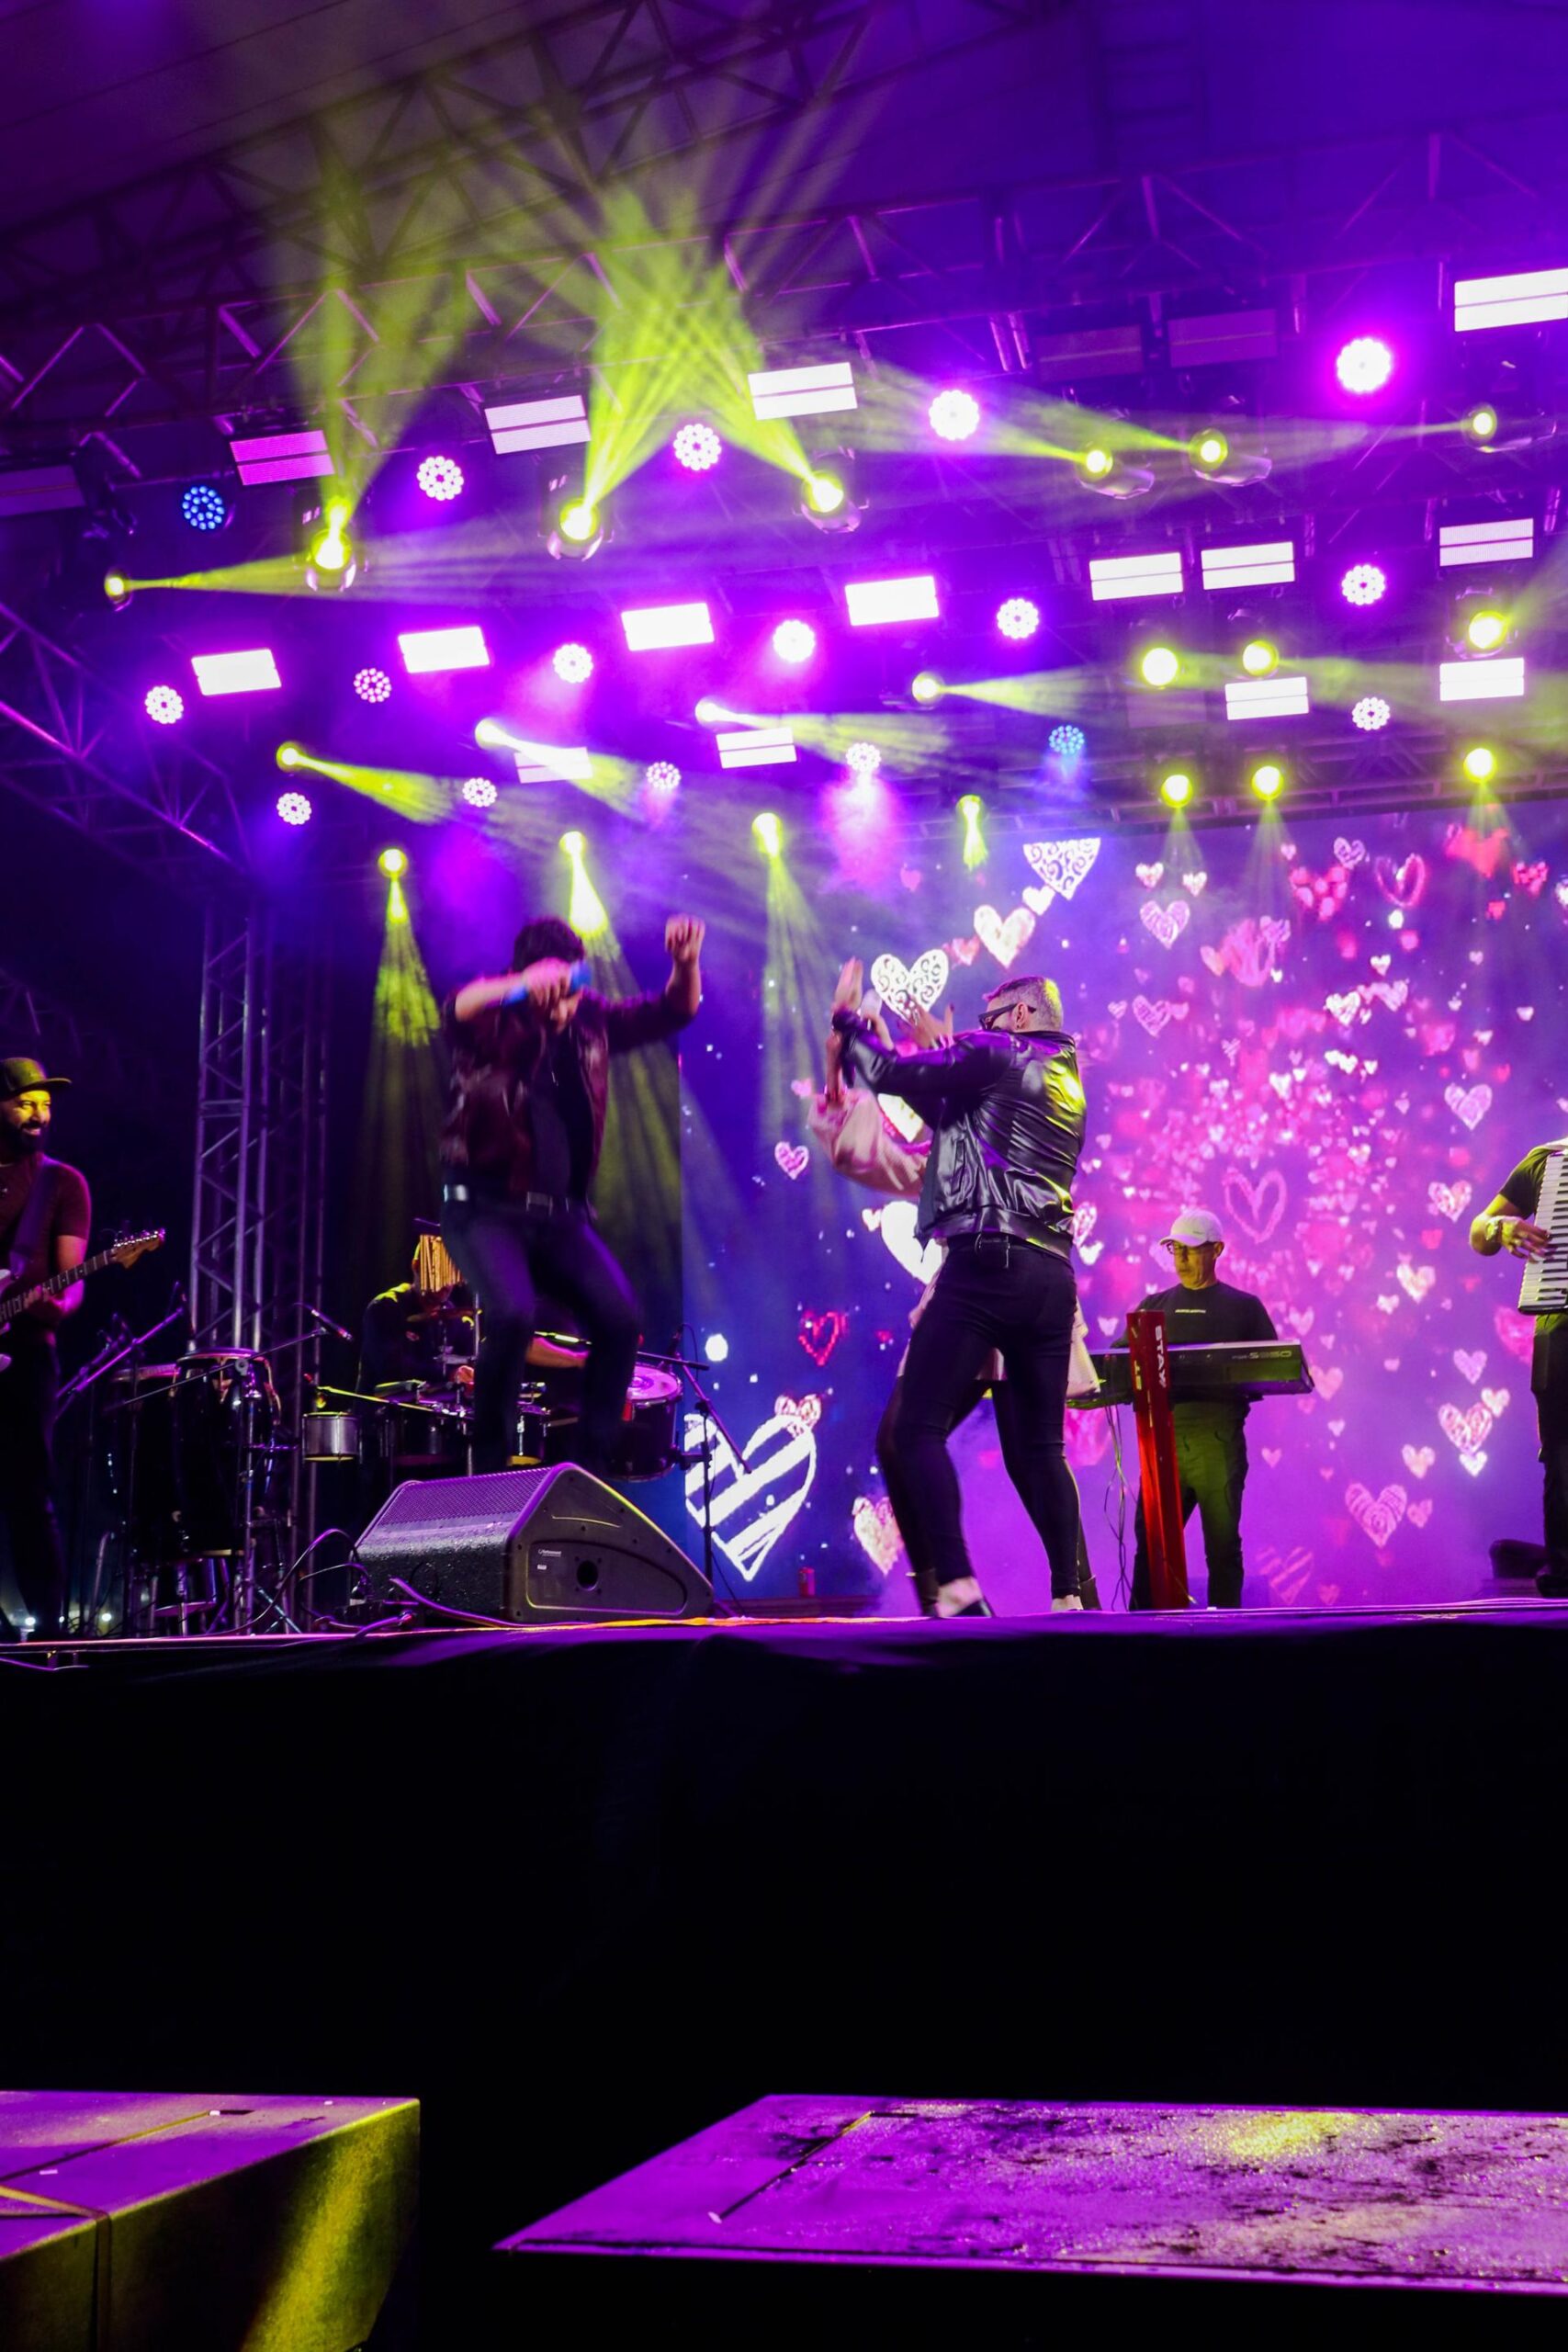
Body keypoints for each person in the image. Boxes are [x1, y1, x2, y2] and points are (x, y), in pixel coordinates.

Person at [808, 980, 1100, 1616]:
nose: (980, 1029)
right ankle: (1070, 1598)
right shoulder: (1065, 1082)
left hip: (985, 1267)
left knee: (916, 1429)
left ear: (1019, 1015)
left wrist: (851, 1026)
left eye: (988, 1020)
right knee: (1040, 1451)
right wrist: (911, 1054)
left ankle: (956, 1586)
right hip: (1048, 1277)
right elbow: (948, 1114)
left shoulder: (998, 1052)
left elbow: (894, 1078)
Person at [440, 913, 704, 1476]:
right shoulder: (491, 1017)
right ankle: (488, 1470)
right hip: (482, 1210)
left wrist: (685, 964)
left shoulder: (591, 1021)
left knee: (619, 1320)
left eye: (570, 993)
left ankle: (587, 1469)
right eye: (551, 996)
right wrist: (521, 986)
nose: (562, 1009)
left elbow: (674, 1011)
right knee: (512, 1314)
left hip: (560, 1221)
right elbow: (458, 1005)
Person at [1129, 1209, 1277, 1610]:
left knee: (1222, 1546)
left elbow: (1273, 1366)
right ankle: (1139, 1630)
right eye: (1175, 1249)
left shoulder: (1244, 1308)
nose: (1180, 1259)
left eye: (1191, 1250)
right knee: (1151, 1546)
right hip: (1164, 1444)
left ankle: (1225, 1631)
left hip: (1218, 1442)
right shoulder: (1153, 1306)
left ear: (1217, 1251)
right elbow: (1119, 1365)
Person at [0, 1058, 90, 1636]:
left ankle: (50, 1639)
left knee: (28, 1495)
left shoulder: (61, 1182)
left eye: (46, 1104)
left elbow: (70, 1283)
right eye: (25, 1103)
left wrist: (53, 1303)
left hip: (27, 1354)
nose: (39, 1114)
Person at [1470, 1143, 1568, 1594]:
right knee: (1562, 1454)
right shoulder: (1547, 1161)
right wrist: (1499, 1227)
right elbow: (1478, 1231)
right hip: (1562, 1324)